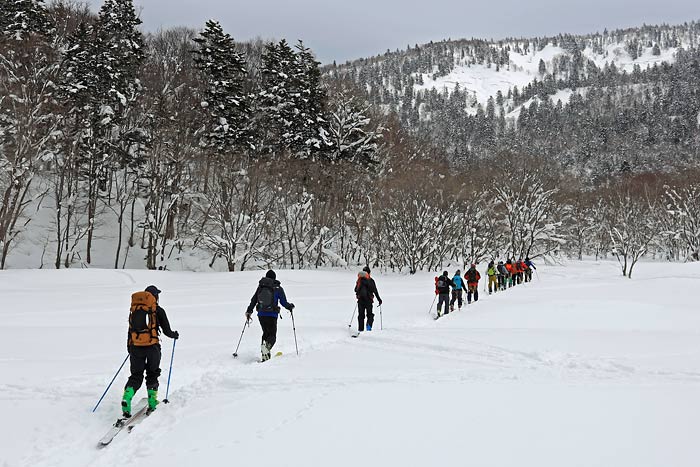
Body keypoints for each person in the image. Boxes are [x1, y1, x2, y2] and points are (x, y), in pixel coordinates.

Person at [122, 285, 179, 417]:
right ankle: (152, 403)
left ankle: (127, 397)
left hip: (136, 347)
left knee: (136, 375)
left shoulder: (135, 310)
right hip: (152, 348)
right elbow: (166, 331)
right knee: (152, 374)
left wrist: (130, 347)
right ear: (155, 297)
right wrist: (174, 335)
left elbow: (130, 330)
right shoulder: (158, 310)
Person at [246, 270, 295, 362]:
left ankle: (265, 357)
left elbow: (254, 300)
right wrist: (290, 307)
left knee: (265, 333)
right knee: (272, 335)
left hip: (261, 314)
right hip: (272, 315)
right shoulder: (277, 288)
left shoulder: (260, 287)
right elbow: (283, 302)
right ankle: (266, 348)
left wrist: (249, 310)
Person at [355, 266, 382, 332]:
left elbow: (355, 289)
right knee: (370, 314)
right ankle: (368, 326)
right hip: (369, 300)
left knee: (361, 315)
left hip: (360, 300)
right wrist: (379, 299)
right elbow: (375, 291)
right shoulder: (371, 281)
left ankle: (360, 329)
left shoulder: (359, 280)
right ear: (369, 273)